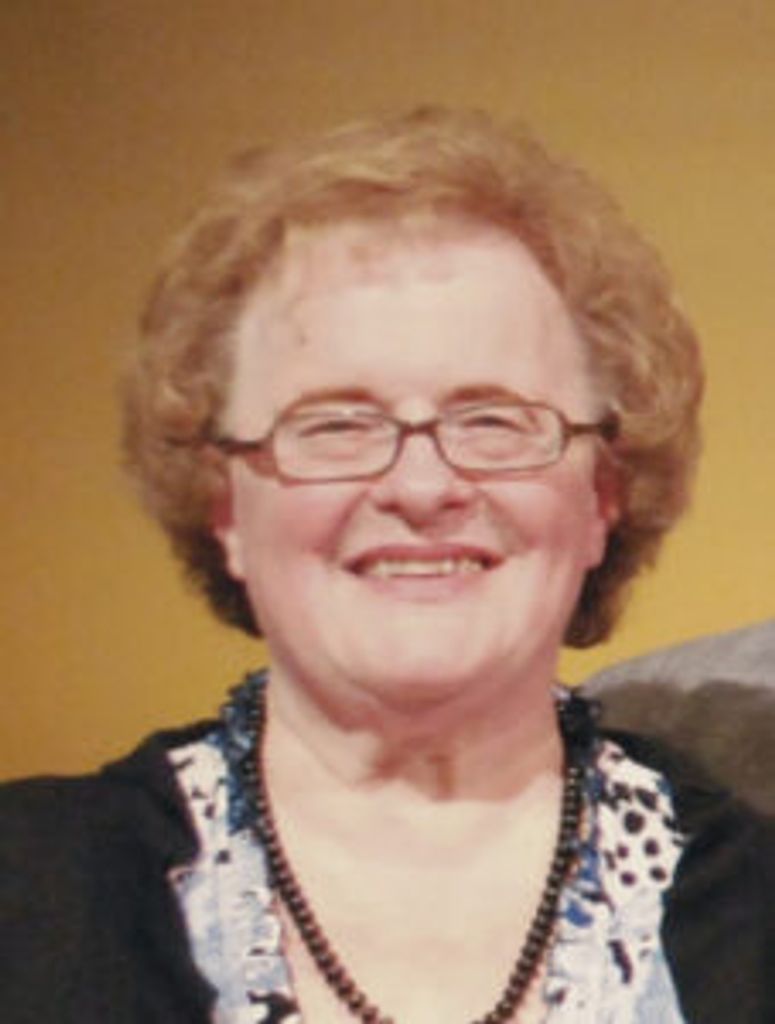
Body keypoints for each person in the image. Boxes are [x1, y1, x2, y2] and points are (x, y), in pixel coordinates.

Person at [1, 108, 772, 1024]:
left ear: (603, 493)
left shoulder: (750, 905)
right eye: (335, 424)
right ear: (223, 504)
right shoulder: (28, 887)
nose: (420, 485)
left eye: (493, 420)